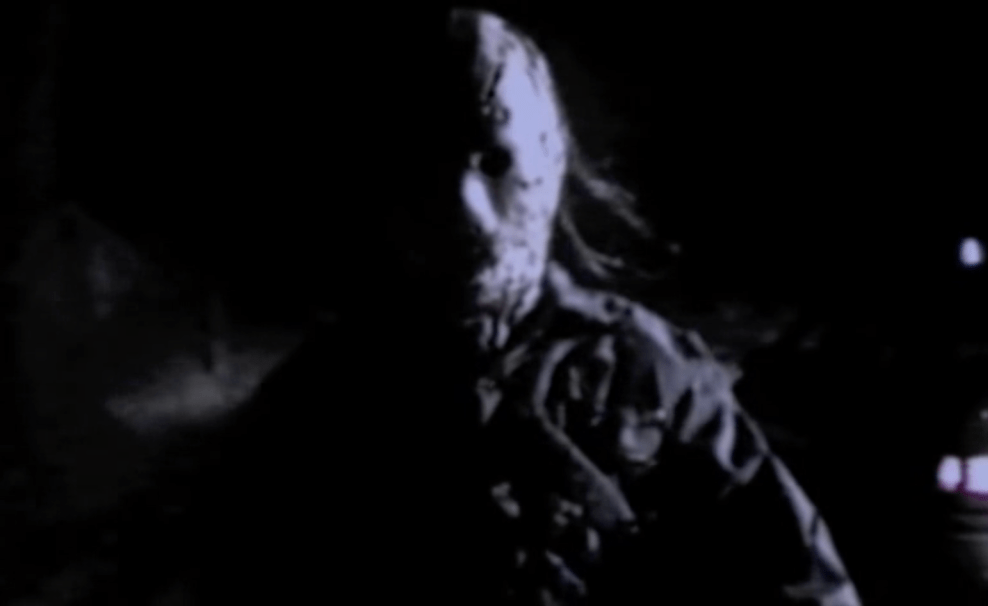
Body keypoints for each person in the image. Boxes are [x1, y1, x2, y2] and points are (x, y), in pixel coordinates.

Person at [80, 8, 863, 605]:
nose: (467, 214)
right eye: (425, 168)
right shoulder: (323, 400)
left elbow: (804, 583)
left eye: (494, 160)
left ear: (550, 158)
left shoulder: (648, 371)